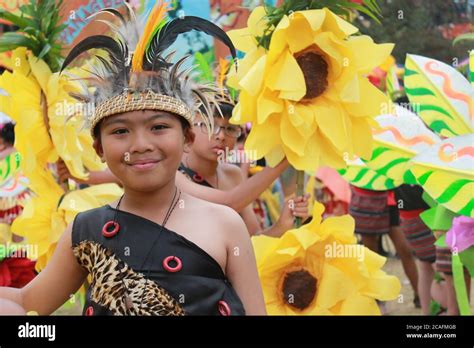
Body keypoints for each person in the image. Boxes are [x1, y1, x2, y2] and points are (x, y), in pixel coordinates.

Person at [0, 3, 265, 315]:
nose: (140, 144)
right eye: (121, 131)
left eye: (159, 127)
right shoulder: (86, 229)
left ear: (187, 139)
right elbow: (28, 303)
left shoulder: (225, 225)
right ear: (98, 148)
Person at [179, 101, 309, 237]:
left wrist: (281, 226)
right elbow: (229, 203)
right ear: (188, 130)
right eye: (210, 125)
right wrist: (288, 155)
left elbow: (252, 239)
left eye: (230, 128)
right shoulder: (174, 175)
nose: (221, 136)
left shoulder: (233, 174)